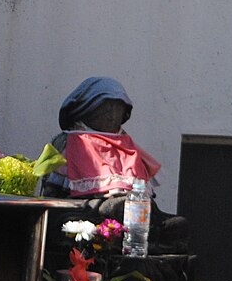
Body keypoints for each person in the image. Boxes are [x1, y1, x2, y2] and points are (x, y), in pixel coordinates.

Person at [42, 77, 188, 253]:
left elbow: (144, 196)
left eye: (117, 108)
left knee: (178, 225)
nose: (111, 115)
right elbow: (52, 194)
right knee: (117, 207)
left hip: (133, 215)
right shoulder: (69, 141)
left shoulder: (127, 145)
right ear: (87, 108)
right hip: (86, 211)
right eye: (105, 108)